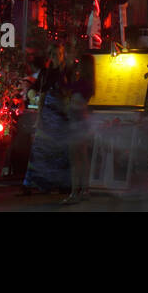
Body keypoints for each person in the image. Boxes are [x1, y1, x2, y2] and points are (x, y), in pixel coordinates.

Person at [22, 65, 72, 195]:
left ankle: (57, 184)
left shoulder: (66, 70)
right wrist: (33, 95)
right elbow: (36, 91)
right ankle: (40, 183)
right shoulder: (46, 72)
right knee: (43, 150)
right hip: (50, 117)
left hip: (58, 118)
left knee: (57, 151)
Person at [63, 55, 94, 205]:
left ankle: (75, 192)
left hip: (77, 123)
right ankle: (84, 190)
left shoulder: (81, 84)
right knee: (82, 157)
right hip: (83, 123)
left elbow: (65, 88)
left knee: (75, 159)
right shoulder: (89, 84)